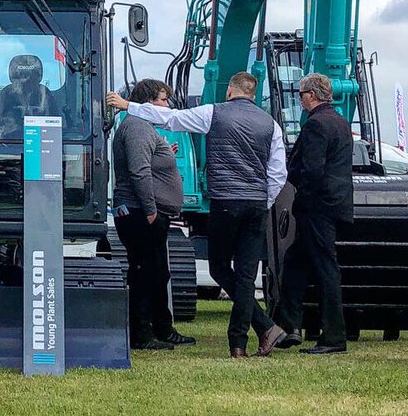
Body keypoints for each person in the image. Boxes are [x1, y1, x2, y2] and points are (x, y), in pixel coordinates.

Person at [108, 71, 287, 359]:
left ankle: (247, 339)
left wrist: (129, 105)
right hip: (256, 203)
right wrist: (264, 200)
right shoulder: (271, 124)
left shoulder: (213, 113)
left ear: (230, 91)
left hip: (225, 201)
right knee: (245, 274)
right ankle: (249, 337)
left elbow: (173, 119)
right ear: (253, 93)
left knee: (219, 267)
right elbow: (278, 172)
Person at [111, 78, 193, 350]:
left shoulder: (143, 129)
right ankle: (142, 334)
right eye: (163, 99)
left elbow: (147, 162)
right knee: (145, 272)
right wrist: (150, 211)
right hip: (139, 213)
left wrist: (164, 153)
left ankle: (162, 328)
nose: (167, 105)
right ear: (147, 102)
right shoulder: (137, 127)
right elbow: (139, 171)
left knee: (158, 272)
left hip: (145, 212)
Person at [275, 73, 354, 354]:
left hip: (317, 207)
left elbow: (312, 169)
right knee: (295, 264)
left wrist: (301, 199)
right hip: (334, 204)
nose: (300, 99)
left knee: (325, 269)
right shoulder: (340, 122)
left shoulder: (316, 124)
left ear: (310, 95)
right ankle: (289, 326)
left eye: (300, 94)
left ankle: (333, 336)